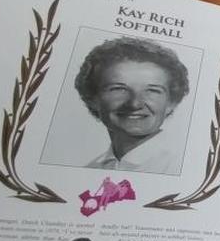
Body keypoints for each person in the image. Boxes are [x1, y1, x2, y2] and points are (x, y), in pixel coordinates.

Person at [76, 37, 191, 174]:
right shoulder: (90, 170)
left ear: (171, 102)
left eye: (152, 91)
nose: (134, 103)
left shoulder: (182, 166)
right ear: (93, 98)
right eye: (118, 89)